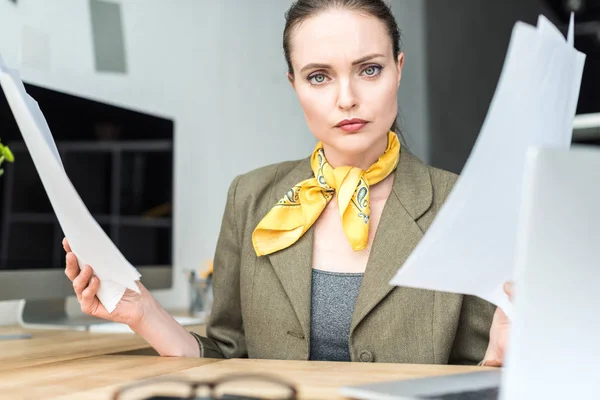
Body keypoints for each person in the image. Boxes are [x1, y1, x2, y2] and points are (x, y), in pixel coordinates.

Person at [63, 0, 512, 366]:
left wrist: (499, 362)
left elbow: (481, 368)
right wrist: (142, 312)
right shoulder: (250, 197)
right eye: (319, 76)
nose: (346, 98)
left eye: (369, 69)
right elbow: (228, 353)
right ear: (293, 83)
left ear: (398, 68)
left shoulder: (463, 205)